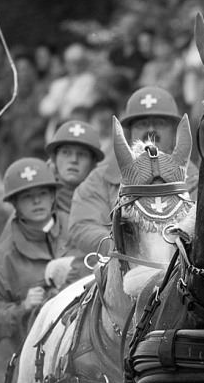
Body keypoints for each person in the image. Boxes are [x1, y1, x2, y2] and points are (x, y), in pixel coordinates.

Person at [0, 158, 78, 382]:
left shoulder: (80, 229)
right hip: (41, 370)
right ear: (14, 204)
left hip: (89, 353)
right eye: (26, 196)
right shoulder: (4, 258)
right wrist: (23, 307)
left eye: (42, 193)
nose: (36, 201)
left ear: (53, 196)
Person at [68, 86, 190, 256]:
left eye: (160, 123)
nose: (151, 130)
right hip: (113, 266)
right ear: (129, 132)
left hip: (180, 267)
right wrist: (127, 247)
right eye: (142, 124)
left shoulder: (195, 178)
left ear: (173, 132)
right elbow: (83, 226)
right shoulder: (100, 178)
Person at [38, 42, 98, 143]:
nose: (74, 66)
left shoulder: (89, 80)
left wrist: (58, 107)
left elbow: (81, 105)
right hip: (56, 129)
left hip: (78, 127)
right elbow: (44, 108)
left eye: (78, 62)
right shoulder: (58, 83)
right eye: (71, 62)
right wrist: (57, 106)